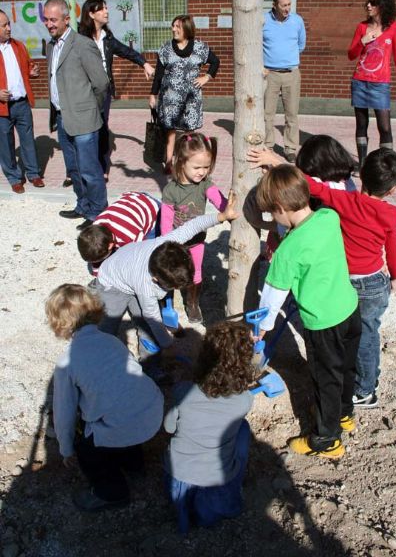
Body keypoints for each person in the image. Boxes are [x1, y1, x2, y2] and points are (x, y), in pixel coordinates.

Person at [256, 165, 361, 459]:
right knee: (346, 366)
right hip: (350, 310)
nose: (272, 219)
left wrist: (263, 325)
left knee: (325, 379)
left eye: (271, 213)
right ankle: (344, 413)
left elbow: (273, 294)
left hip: (323, 324)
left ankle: (327, 440)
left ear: (280, 209)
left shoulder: (288, 249)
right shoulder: (329, 217)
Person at [46, 283, 164, 512]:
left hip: (123, 423)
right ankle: (135, 466)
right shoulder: (112, 341)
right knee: (122, 409)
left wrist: (67, 448)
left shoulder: (66, 363)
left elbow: (64, 413)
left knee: (88, 451)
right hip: (152, 410)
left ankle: (112, 493)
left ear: (58, 324)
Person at [302, 148, 396, 408]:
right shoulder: (390, 214)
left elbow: (312, 186)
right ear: (393, 189)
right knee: (368, 334)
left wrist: (274, 162)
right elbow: (393, 248)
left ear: (361, 177)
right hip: (374, 282)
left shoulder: (344, 201)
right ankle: (369, 382)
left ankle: (365, 390)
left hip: (346, 282)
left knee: (352, 335)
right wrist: (395, 275)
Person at [96, 195, 237, 356]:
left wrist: (222, 216)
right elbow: (152, 316)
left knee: (143, 324)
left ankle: (149, 360)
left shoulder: (165, 243)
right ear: (155, 279)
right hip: (112, 283)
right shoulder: (146, 286)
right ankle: (102, 349)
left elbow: (192, 226)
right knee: (111, 320)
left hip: (129, 270)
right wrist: (168, 345)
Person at [164, 320, 255, 533]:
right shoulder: (245, 400)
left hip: (180, 474)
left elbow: (168, 428)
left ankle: (184, 517)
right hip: (218, 477)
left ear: (203, 358)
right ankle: (215, 509)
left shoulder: (183, 391)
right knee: (242, 429)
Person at [71, 0, 155, 182]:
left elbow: (127, 51)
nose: (107, 12)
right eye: (102, 9)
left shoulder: (108, 38)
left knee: (101, 128)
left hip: (104, 91)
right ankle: (78, 169)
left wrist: (145, 64)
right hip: (85, 91)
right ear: (91, 14)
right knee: (84, 130)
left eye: (107, 8)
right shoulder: (79, 37)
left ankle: (102, 166)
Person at [43, 0, 110, 228]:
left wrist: (91, 109)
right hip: (62, 118)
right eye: (46, 20)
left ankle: (98, 213)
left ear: (66, 19)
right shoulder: (52, 45)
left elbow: (101, 84)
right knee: (74, 168)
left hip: (84, 120)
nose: (49, 24)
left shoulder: (82, 44)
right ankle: (83, 205)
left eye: (53, 19)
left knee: (90, 170)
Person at [161, 132, 227, 323]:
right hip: (177, 242)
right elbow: (166, 223)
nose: (202, 172)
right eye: (197, 167)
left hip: (197, 241)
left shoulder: (205, 184)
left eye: (206, 167)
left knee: (196, 272)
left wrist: (228, 209)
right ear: (181, 162)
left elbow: (219, 201)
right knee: (174, 271)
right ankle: (167, 301)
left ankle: (192, 302)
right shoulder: (171, 191)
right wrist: (168, 245)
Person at [149, 15, 220, 173]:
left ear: (186, 29)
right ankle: (169, 162)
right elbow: (159, 74)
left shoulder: (200, 48)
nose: (174, 29)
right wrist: (152, 95)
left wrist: (206, 78)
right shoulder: (166, 49)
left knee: (189, 133)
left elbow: (215, 62)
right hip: (169, 99)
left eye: (177, 27)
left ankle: (188, 160)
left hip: (191, 100)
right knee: (170, 131)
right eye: (173, 26)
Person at [348, 0, 396, 170]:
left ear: (382, 5)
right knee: (361, 126)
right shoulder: (361, 27)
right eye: (368, 1)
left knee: (385, 127)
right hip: (360, 82)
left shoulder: (393, 28)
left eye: (372, 2)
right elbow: (351, 54)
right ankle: (363, 164)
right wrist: (362, 41)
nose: (368, 5)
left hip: (380, 85)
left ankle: (388, 165)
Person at [0, 9, 44, 193]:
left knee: (28, 140)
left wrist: (31, 73)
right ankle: (14, 177)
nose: (9, 28)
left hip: (22, 104)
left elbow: (26, 68)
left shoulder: (19, 46)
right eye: (4, 25)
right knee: (6, 144)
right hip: (2, 108)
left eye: (9, 23)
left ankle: (34, 174)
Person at [263, 0, 306, 161]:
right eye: (283, 5)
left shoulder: (297, 21)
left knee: (292, 114)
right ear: (274, 5)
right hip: (269, 74)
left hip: (291, 73)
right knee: (267, 114)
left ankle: (290, 148)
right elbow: (257, 44)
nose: (287, 8)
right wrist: (262, 66)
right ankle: (267, 145)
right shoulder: (264, 20)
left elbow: (301, 44)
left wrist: (288, 58)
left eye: (289, 4)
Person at [77, 191, 160, 271]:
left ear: (110, 245)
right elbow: (96, 264)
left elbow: (142, 252)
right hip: (130, 202)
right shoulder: (96, 225)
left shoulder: (130, 235)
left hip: (151, 207)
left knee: (152, 244)